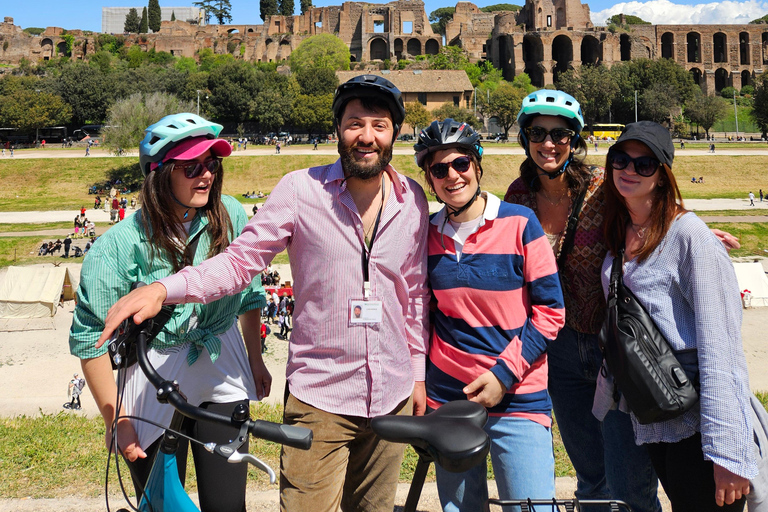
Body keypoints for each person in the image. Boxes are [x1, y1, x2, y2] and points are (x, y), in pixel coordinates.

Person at [96, 75, 430, 512]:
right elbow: (240, 263)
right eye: (354, 124)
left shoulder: (414, 200)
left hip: (393, 393)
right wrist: (165, 288)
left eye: (379, 125)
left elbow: (415, 294)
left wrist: (418, 371)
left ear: (394, 134)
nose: (366, 136)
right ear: (337, 131)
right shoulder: (300, 190)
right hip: (321, 398)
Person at [69, 113, 270, 512]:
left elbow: (248, 294)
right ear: (158, 174)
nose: (206, 175)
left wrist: (255, 358)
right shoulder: (118, 246)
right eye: (191, 166)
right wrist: (117, 419)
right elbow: (90, 339)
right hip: (152, 368)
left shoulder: (231, 214)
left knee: (229, 505)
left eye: (212, 163)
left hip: (219, 360)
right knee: (164, 504)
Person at [504, 90, 662, 512]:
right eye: (538, 132)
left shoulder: (601, 187)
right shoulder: (517, 196)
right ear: (525, 138)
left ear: (575, 140)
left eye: (560, 134)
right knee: (591, 474)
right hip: (558, 350)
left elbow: (652, 214)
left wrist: (693, 234)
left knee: (630, 477)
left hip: (613, 345)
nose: (549, 143)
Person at [597, 120, 757, 511]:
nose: (629, 170)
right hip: (655, 414)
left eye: (644, 164)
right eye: (621, 160)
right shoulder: (622, 231)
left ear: (664, 175)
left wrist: (728, 453)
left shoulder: (689, 236)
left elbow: (721, 349)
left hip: (698, 419)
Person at [415, 119, 564, 510]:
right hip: (450, 401)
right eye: (439, 169)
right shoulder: (426, 235)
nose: (452, 175)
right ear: (430, 178)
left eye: (461, 163)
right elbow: (420, 317)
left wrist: (503, 375)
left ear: (477, 165)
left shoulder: (519, 223)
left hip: (518, 396)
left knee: (532, 506)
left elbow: (550, 312)